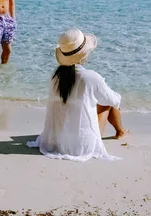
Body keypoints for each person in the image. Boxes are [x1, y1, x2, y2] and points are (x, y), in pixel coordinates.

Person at [27, 28, 127, 162]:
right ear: (85, 54)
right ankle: (120, 132)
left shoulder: (55, 76)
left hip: (54, 140)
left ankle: (120, 131)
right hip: (80, 145)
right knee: (109, 102)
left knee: (88, 100)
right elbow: (115, 100)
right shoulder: (90, 77)